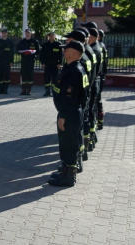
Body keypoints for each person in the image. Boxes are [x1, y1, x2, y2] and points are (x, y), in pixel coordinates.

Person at [47, 41, 89, 187]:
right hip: (71, 111)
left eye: (66, 49)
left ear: (74, 52)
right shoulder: (72, 67)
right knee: (66, 143)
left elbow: (70, 97)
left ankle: (69, 177)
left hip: (69, 113)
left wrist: (63, 116)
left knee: (68, 144)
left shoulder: (74, 71)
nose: (63, 51)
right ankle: (65, 171)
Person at [81, 23, 103, 148]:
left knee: (89, 112)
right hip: (95, 82)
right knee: (91, 110)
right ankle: (91, 136)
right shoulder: (95, 48)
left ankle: (89, 139)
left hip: (92, 83)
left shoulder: (92, 50)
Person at [16, 28, 40, 95]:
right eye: (26, 32)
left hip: (31, 61)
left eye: (28, 32)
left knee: (30, 75)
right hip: (24, 60)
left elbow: (38, 51)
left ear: (31, 33)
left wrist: (32, 52)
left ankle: (29, 90)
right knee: (23, 74)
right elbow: (17, 50)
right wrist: (23, 52)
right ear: (25, 33)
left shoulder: (35, 42)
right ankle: (23, 90)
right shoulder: (22, 42)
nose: (27, 34)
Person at [40, 32, 63, 97]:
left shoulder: (58, 44)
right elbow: (42, 55)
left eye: (52, 36)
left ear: (55, 36)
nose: (51, 37)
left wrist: (59, 63)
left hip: (55, 65)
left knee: (55, 78)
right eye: (50, 36)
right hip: (47, 64)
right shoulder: (45, 45)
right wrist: (42, 63)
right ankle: (47, 91)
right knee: (46, 78)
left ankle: (54, 91)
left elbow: (61, 55)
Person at [0, 29, 14, 94]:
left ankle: (6, 89)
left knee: (7, 76)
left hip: (7, 61)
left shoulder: (10, 42)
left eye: (5, 33)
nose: (4, 34)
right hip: (0, 61)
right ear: (1, 33)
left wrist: (11, 61)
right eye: (3, 33)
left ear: (7, 33)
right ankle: (0, 89)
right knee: (0, 75)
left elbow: (12, 53)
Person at [97, 29, 108, 130]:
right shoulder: (103, 46)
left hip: (98, 77)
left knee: (96, 99)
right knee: (98, 99)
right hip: (101, 76)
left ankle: (99, 119)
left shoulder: (98, 47)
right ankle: (100, 120)